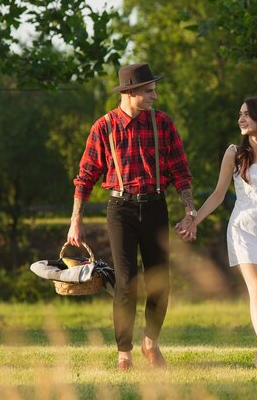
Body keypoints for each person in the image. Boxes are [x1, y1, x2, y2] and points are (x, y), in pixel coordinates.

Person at [67, 63, 197, 371]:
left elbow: (180, 171)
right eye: (149, 90)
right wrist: (76, 220)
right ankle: (123, 352)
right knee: (126, 283)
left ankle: (150, 342)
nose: (155, 95)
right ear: (129, 92)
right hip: (120, 210)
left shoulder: (163, 124)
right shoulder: (104, 127)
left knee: (160, 281)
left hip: (155, 207)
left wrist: (190, 210)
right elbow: (85, 177)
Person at [177, 97, 257, 373]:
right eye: (240, 115)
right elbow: (218, 194)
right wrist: (193, 219)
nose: (241, 119)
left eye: (247, 115)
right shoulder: (234, 153)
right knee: (256, 290)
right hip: (242, 231)